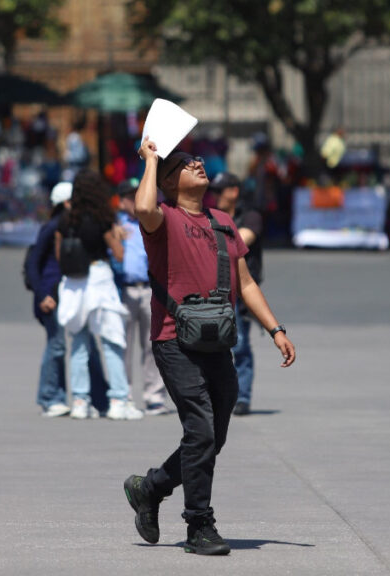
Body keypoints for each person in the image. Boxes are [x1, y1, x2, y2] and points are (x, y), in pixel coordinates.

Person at [123, 142, 296, 556]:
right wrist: (150, 161)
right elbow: (143, 208)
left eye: (196, 160)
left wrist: (275, 329)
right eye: (184, 164)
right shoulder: (163, 219)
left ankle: (149, 489)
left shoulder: (223, 222)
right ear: (167, 182)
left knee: (211, 438)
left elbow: (247, 282)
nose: (198, 164)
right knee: (199, 429)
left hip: (216, 341)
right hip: (173, 340)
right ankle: (199, 523)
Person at [56, 169, 143, 421]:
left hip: (73, 284)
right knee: (112, 342)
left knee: (79, 346)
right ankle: (118, 400)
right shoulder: (101, 218)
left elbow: (60, 255)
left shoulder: (66, 219)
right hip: (98, 279)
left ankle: (80, 402)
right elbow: (118, 254)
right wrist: (117, 238)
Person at [209, 172, 264, 416]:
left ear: (234, 191)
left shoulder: (250, 217)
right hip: (214, 290)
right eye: (215, 191)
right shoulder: (211, 216)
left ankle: (242, 397)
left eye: (221, 191)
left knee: (239, 345)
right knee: (212, 346)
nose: (216, 196)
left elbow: (240, 241)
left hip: (239, 292)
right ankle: (218, 396)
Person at [115, 178, 168, 415]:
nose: (133, 200)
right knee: (122, 344)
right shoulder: (116, 224)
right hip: (124, 288)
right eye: (129, 197)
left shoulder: (152, 220)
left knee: (152, 343)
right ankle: (122, 392)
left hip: (149, 287)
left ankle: (153, 395)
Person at [25, 181, 72, 417]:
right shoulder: (52, 227)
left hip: (59, 293)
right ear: (65, 203)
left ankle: (58, 395)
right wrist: (42, 294)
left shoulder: (65, 226)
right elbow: (33, 264)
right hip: (49, 295)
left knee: (59, 346)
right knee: (56, 345)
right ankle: (49, 397)